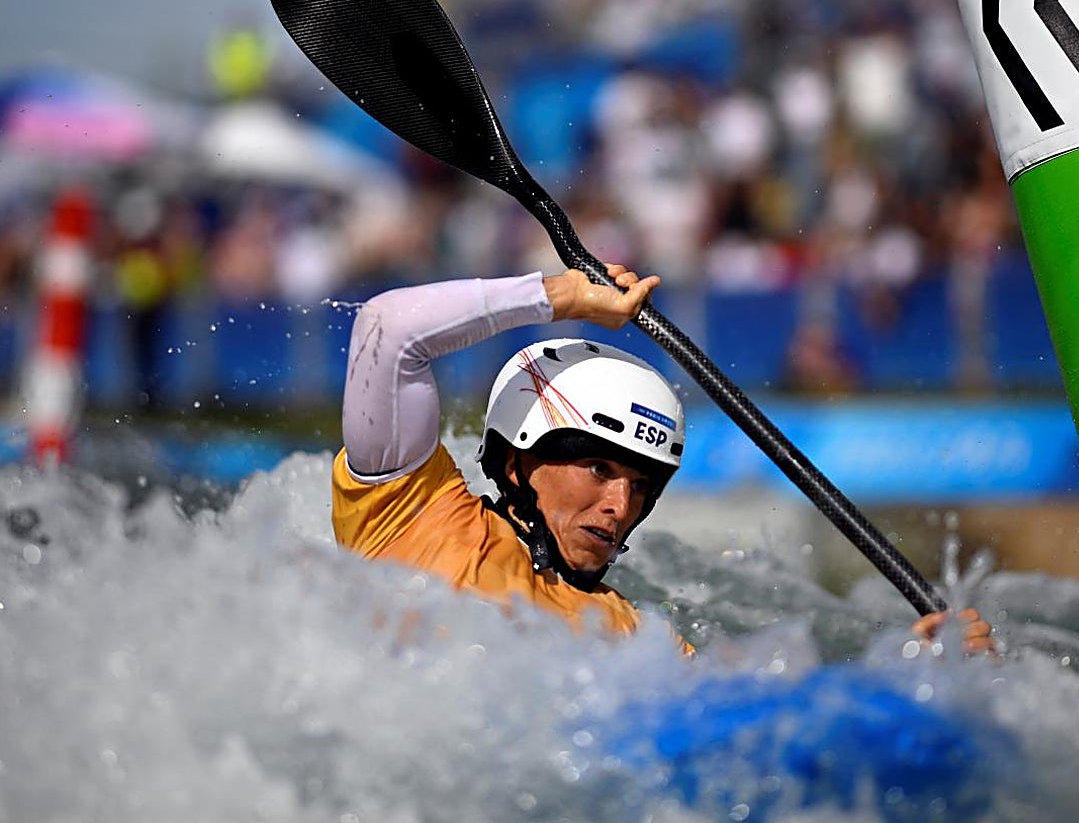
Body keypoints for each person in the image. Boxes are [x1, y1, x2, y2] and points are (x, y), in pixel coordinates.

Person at [331, 264, 993, 656]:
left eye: (641, 486)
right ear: (515, 461)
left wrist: (921, 677)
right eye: (599, 470)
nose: (621, 506)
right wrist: (563, 296)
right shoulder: (413, 515)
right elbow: (390, 332)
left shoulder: (636, 636)